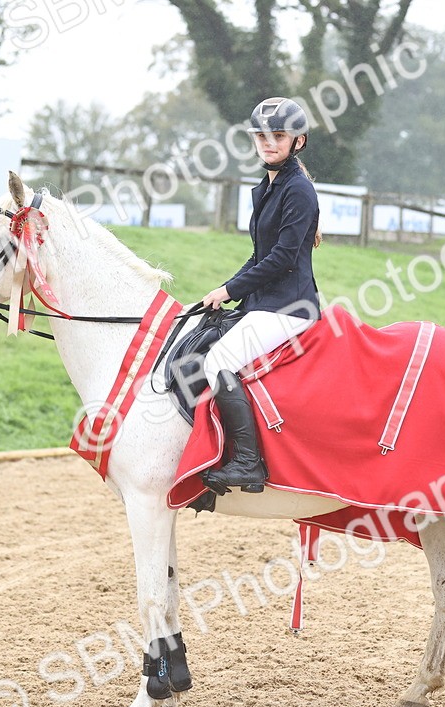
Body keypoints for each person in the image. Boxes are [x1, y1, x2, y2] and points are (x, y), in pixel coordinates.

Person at [199, 97, 322, 495]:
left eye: (279, 135)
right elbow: (258, 255)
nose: (268, 142)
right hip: (265, 302)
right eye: (261, 135)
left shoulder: (299, 190)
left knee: (219, 359)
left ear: (297, 142)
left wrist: (232, 289)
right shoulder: (267, 187)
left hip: (291, 305)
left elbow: (284, 258)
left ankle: (249, 463)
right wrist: (224, 290)